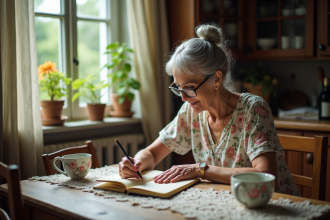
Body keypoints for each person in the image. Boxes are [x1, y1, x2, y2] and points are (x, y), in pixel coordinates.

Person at [119, 24, 300, 196]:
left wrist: (200, 169)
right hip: (226, 202)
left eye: (189, 87)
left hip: (273, 204)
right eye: (178, 88)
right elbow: (152, 152)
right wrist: (137, 163)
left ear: (216, 79)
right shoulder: (190, 111)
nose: (183, 97)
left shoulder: (253, 109)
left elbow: (267, 176)